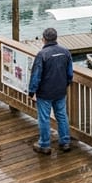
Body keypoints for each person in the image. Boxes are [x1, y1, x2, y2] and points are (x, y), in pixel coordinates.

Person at [28, 27, 73, 155]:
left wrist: (32, 91)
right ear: (56, 38)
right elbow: (70, 73)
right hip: (60, 90)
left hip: (45, 93)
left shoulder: (42, 55)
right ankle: (65, 142)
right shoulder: (66, 52)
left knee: (44, 118)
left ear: (44, 39)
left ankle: (44, 144)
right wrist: (66, 83)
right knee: (62, 116)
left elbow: (36, 75)